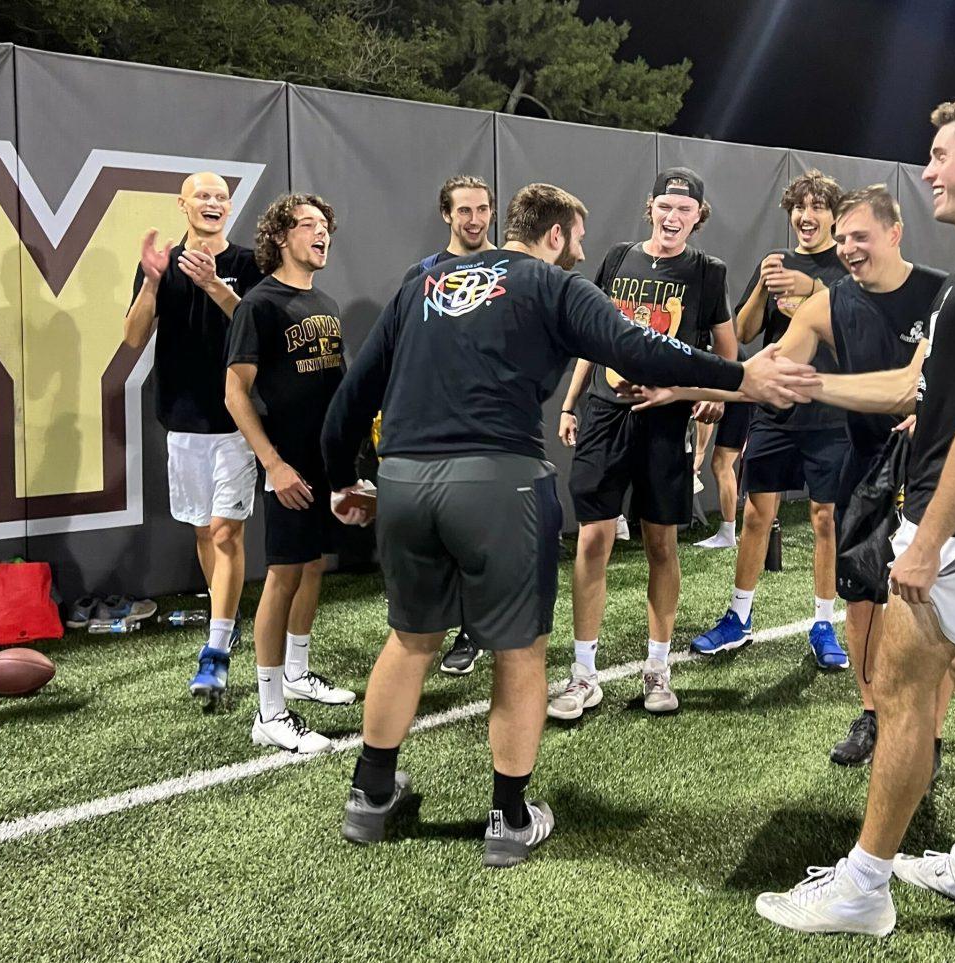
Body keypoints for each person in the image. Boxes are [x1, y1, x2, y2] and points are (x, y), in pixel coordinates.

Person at [319, 182, 822, 867]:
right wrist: (740, 378)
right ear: (555, 235)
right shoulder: (556, 285)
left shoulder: (423, 280)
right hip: (497, 482)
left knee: (409, 638)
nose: (581, 251)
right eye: (577, 239)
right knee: (520, 651)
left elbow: (357, 387)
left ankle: (370, 795)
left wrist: (342, 475)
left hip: (405, 479)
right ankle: (509, 816)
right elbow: (641, 349)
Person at [754, 97, 955, 937]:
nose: (927, 169)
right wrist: (788, 382)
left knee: (896, 689)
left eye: (939, 154)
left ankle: (863, 887)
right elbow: (920, 393)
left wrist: (925, 540)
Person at [632, 185, 955, 770]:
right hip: (864, 467)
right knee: (862, 599)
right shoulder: (829, 305)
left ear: (894, 233)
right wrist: (681, 387)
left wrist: (822, 388)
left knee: (927, 611)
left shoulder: (940, 293)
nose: (851, 248)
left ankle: (928, 740)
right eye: (847, 239)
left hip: (931, 471)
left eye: (861, 236)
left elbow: (912, 386)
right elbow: (759, 372)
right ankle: (874, 713)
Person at [551, 168, 737, 719]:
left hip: (666, 421)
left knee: (661, 544)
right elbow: (594, 335)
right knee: (592, 540)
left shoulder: (708, 273)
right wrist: (569, 401)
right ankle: (583, 674)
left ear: (698, 216)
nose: (673, 216)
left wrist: (713, 396)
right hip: (606, 414)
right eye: (664, 206)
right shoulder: (616, 258)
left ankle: (658, 668)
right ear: (650, 208)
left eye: (684, 209)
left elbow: (729, 357)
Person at [690, 170, 851, 667]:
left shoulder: (847, 266)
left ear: (833, 215)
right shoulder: (776, 263)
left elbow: (851, 326)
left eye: (817, 207)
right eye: (798, 208)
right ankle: (739, 618)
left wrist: (813, 285)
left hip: (830, 414)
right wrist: (762, 283)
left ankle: (824, 623)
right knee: (758, 514)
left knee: (826, 518)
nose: (806, 216)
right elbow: (742, 331)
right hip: (775, 412)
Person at [122, 172, 263, 706]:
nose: (212, 203)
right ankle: (222, 623)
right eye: (202, 196)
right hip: (182, 420)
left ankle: (217, 650)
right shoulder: (161, 265)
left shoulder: (248, 264)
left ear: (229, 208)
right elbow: (134, 337)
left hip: (237, 420)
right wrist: (154, 283)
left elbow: (255, 325)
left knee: (227, 534)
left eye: (221, 198)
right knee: (205, 534)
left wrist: (214, 285)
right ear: (183, 205)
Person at [225, 193, 357, 754]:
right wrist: (274, 465)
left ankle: (298, 674)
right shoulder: (260, 304)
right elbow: (235, 394)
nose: (321, 235)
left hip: (324, 465)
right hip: (288, 466)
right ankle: (270, 712)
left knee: (311, 566)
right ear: (280, 236)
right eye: (308, 226)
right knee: (281, 576)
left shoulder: (324, 301)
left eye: (325, 226)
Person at [403, 174, 499, 674]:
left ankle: (476, 630)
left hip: (490, 427)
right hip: (435, 427)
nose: (475, 219)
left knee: (480, 536)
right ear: (447, 214)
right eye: (465, 210)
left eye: (483, 209)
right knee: (441, 537)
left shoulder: (509, 271)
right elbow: (405, 351)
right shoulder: (421, 275)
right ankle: (437, 627)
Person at [694, 348, 753, 550]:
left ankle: (728, 533)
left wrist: (699, 454)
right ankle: (729, 531)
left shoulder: (700, 353)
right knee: (720, 464)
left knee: (721, 464)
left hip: (741, 392)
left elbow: (705, 412)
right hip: (735, 384)